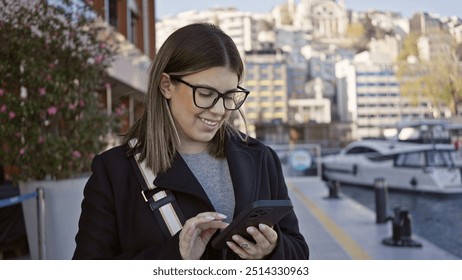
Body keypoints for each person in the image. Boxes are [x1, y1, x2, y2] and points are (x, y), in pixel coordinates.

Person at [73, 23, 309, 260]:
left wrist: (273, 249)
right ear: (167, 85)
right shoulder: (115, 172)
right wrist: (174, 256)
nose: (219, 110)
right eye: (206, 94)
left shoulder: (261, 158)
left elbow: (298, 252)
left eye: (229, 96)